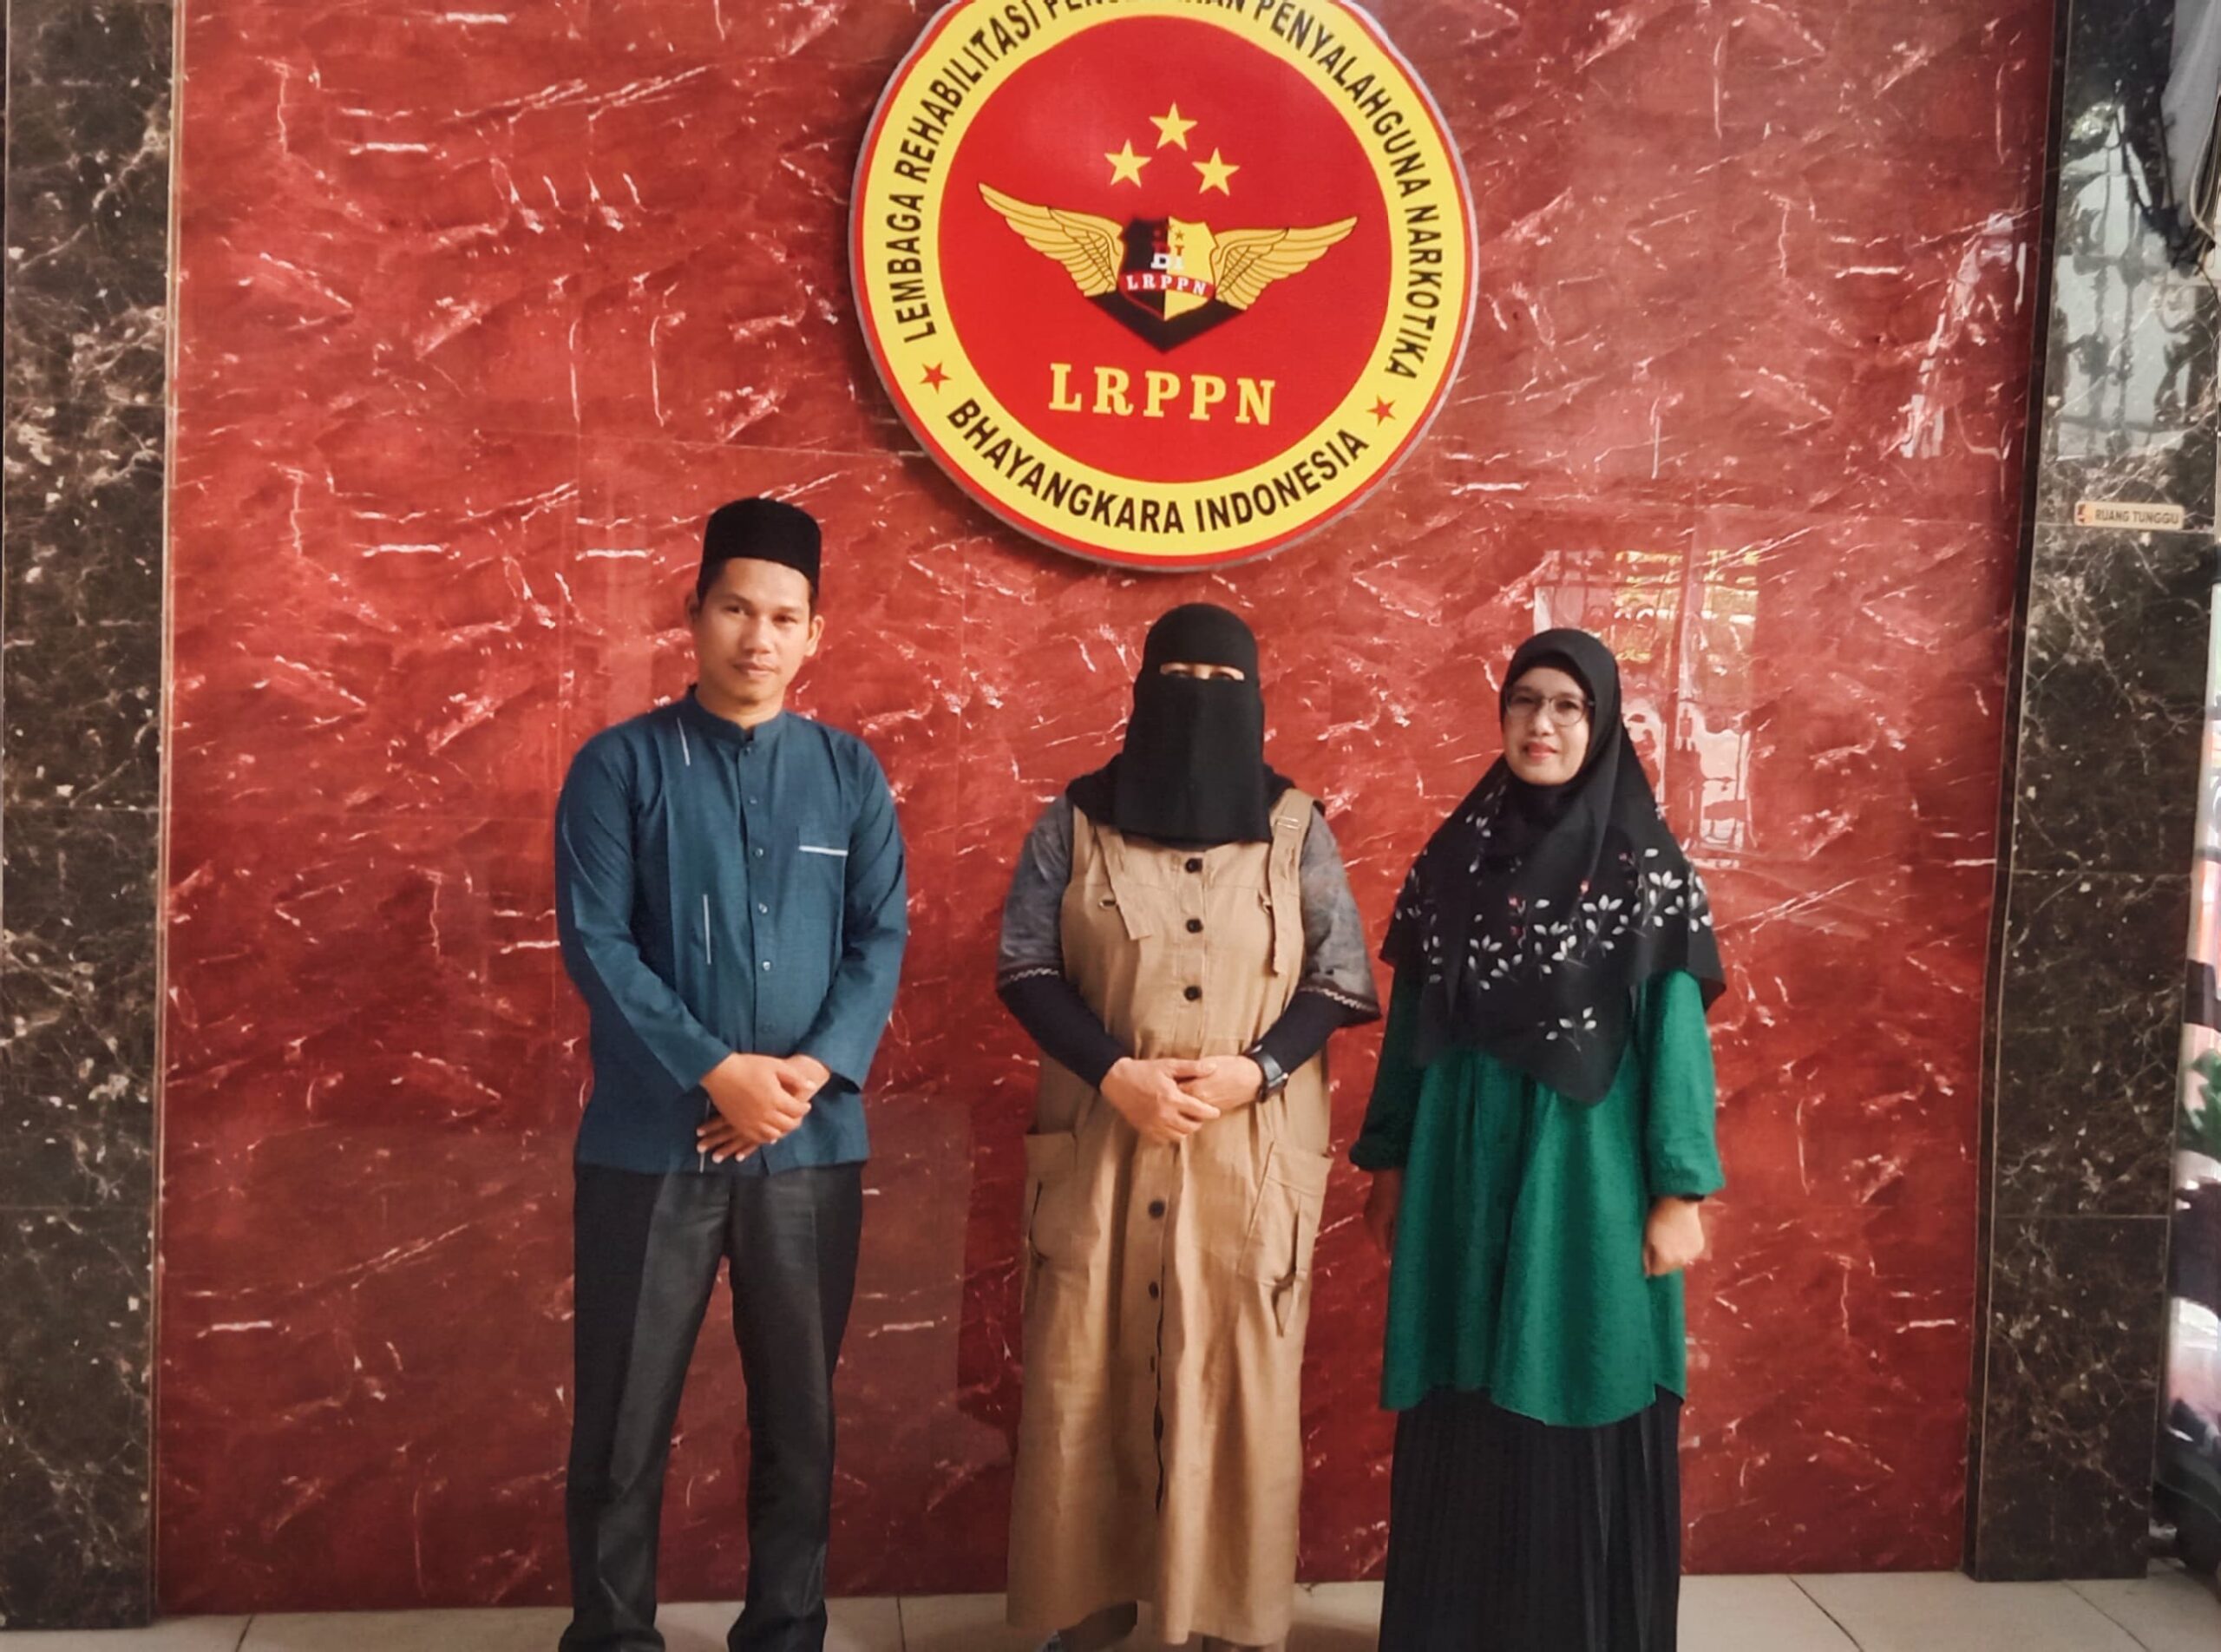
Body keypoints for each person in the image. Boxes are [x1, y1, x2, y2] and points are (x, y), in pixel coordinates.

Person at [554, 497, 907, 1652]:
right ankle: (612, 1637)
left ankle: (786, 1632)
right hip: (649, 1144)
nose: (759, 637)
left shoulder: (850, 776)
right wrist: (717, 1072)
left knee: (800, 1422)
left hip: (809, 1148)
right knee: (622, 1421)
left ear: (815, 633)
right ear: (693, 613)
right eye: (736, 609)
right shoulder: (617, 768)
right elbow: (597, 944)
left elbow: (878, 941)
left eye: (784, 617)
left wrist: (796, 1079)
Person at [995, 603, 1381, 1652]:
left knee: (1234, 1386)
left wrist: (1257, 1070)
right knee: (1086, 1376)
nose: (1199, 704)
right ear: (1140, 690)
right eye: (1180, 679)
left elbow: (1339, 977)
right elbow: (1025, 964)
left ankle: (1221, 1617)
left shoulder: (1295, 827)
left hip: (1244, 1166)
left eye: (1222, 683)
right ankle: (1087, 1607)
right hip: (1103, 1145)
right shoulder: (1075, 822)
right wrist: (1114, 1072)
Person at [1352, 628, 1725, 1652]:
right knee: (1464, 1367)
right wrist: (1388, 1161)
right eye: (1524, 701)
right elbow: (1411, 1021)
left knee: (1579, 1357)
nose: (1542, 724)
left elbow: (1673, 1037)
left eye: (1568, 705)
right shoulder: (1454, 858)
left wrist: (1679, 1189)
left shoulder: (1643, 867)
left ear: (1600, 725)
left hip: (1584, 1168)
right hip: (1460, 1161)